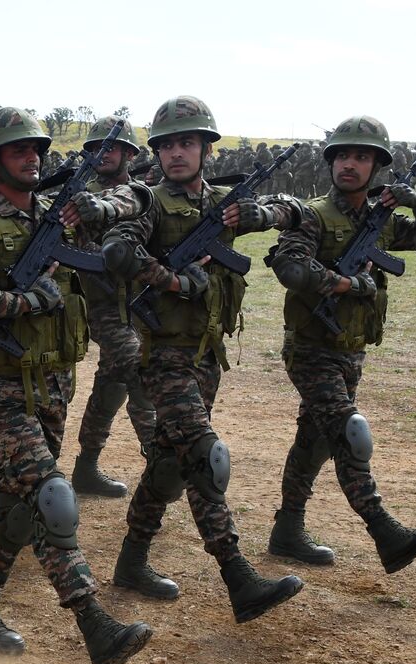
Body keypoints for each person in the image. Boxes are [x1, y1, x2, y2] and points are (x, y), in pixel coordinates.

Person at [0, 107, 154, 664]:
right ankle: (93, 623)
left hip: (52, 385)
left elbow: (140, 201)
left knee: (16, 512)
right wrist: (24, 302)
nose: (33, 157)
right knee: (52, 498)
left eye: (36, 149)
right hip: (0, 389)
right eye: (18, 150)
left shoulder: (61, 218)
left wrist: (99, 203)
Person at [101, 95, 306, 622]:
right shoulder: (148, 202)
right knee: (204, 458)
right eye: (166, 145)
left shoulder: (223, 203)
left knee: (169, 465)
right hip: (164, 357)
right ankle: (238, 577)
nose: (175, 153)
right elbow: (120, 252)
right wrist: (176, 278)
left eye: (186, 142)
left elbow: (296, 211)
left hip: (207, 356)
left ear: (206, 149)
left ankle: (131, 560)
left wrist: (256, 213)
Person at [265, 115, 416, 574]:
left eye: (361, 157)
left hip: (351, 349)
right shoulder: (312, 216)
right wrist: (348, 284)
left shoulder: (380, 220)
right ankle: (385, 532)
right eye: (343, 155)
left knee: (315, 439)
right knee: (350, 433)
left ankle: (287, 529)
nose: (349, 164)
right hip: (310, 347)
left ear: (376, 166)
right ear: (331, 162)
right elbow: (291, 269)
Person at [69, 114, 157, 500]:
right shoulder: (77, 194)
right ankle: (159, 455)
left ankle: (86, 467)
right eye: (94, 148)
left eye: (111, 147)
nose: (101, 154)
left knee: (113, 383)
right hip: (100, 302)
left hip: (141, 303)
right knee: (135, 363)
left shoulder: (144, 194)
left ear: (129, 153)